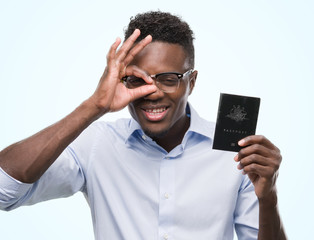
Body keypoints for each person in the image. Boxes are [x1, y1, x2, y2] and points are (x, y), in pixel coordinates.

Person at [0, 11, 286, 240]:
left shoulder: (235, 154)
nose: (152, 92)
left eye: (168, 78)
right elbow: (4, 191)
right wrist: (94, 106)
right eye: (138, 79)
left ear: (192, 82)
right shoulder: (97, 144)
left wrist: (268, 198)